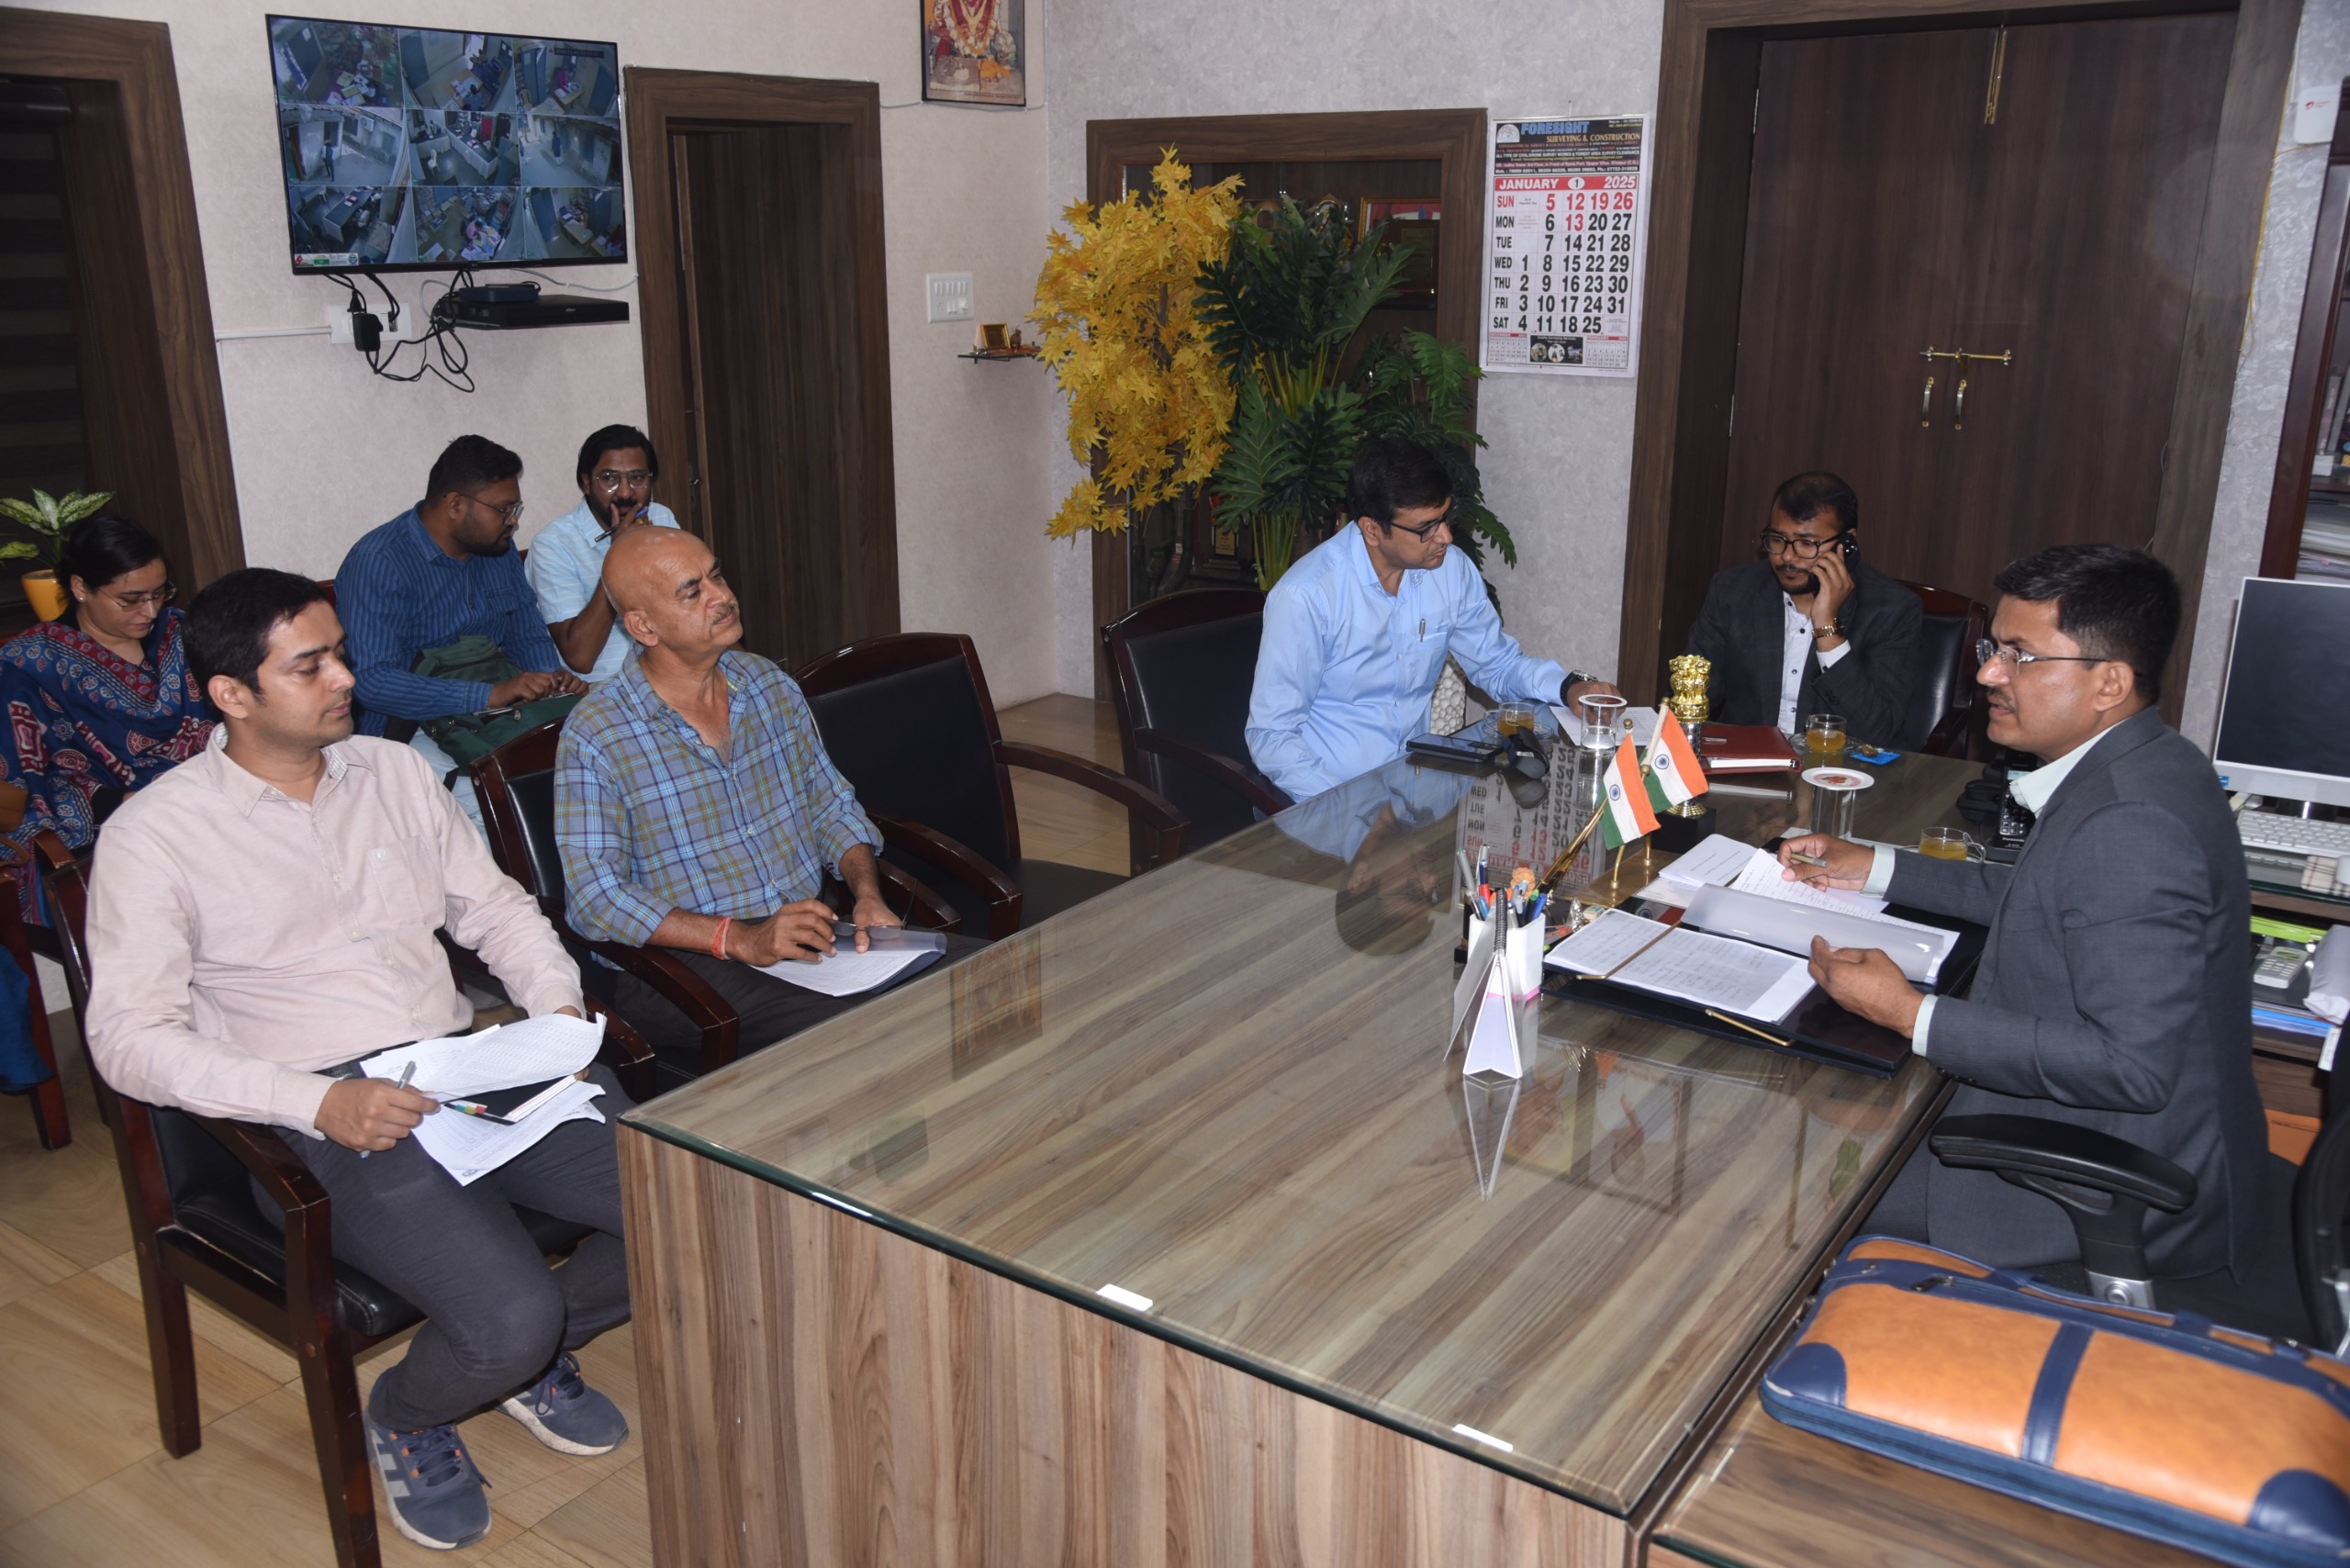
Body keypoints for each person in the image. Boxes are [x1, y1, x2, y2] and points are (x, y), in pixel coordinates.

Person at [83, 569, 631, 1552]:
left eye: (338, 652)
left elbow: (494, 909)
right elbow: (126, 1039)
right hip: (327, 1116)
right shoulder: (156, 837)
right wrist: (315, 1101)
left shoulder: (392, 772)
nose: (346, 677)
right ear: (231, 693)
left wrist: (552, 1009)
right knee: (509, 1317)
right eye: (312, 665)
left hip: (465, 1066)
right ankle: (412, 1412)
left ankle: (530, 1356)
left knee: (691, 1202)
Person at [1780, 543, 2266, 1278]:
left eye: (2020, 656)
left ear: (2109, 682)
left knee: (1802, 1185)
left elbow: (2133, 1068)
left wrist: (1910, 1014)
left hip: (2100, 1180)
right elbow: (2048, 894)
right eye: (1994, 650)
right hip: (2093, 1133)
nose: (1987, 674)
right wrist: (1875, 865)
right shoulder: (2148, 761)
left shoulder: (2132, 825)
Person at [555, 528, 981, 1087]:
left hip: (805, 934)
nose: (722, 596)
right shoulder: (597, 734)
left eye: (716, 574)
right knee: (881, 1034)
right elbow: (595, 897)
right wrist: (738, 938)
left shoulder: (766, 685)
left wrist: (867, 895)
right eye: (693, 591)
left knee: (982, 979)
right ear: (643, 627)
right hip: (683, 966)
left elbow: (831, 805)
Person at [1248, 438, 1617, 801]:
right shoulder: (1308, 596)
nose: (1446, 536)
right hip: (1327, 796)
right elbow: (1271, 736)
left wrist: (1568, 687)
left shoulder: (1450, 570)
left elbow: (1497, 664)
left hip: (1410, 786)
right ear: (1372, 529)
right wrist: (1347, 811)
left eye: (1444, 518)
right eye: (1426, 528)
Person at [335, 434, 586, 825]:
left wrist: (550, 681)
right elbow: (371, 680)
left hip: (500, 713)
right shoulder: (379, 561)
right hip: (409, 728)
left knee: (586, 760)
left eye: (515, 508)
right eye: (503, 509)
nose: (513, 520)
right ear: (455, 504)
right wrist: (488, 695)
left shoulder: (497, 549)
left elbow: (525, 630)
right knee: (502, 804)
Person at [0, 515, 213, 919]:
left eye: (159, 593)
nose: (150, 610)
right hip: (113, 834)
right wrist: (129, 802)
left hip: (212, 808)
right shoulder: (30, 667)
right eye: (130, 599)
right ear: (81, 587)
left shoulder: (181, 634)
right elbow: (25, 783)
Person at [1684, 472, 1922, 747]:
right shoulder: (1733, 592)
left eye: (1807, 544)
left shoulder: (1891, 610)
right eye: (1777, 539)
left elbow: (1876, 733)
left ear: (1847, 543)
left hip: (1839, 768)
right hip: (1747, 764)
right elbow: (1689, 697)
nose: (1787, 556)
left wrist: (1827, 629)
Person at [524, 423, 681, 683]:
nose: (625, 492)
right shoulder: (553, 544)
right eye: (609, 479)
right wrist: (619, 555)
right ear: (587, 482)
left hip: (671, 674)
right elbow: (580, 657)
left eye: (637, 478)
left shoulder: (661, 517)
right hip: (603, 686)